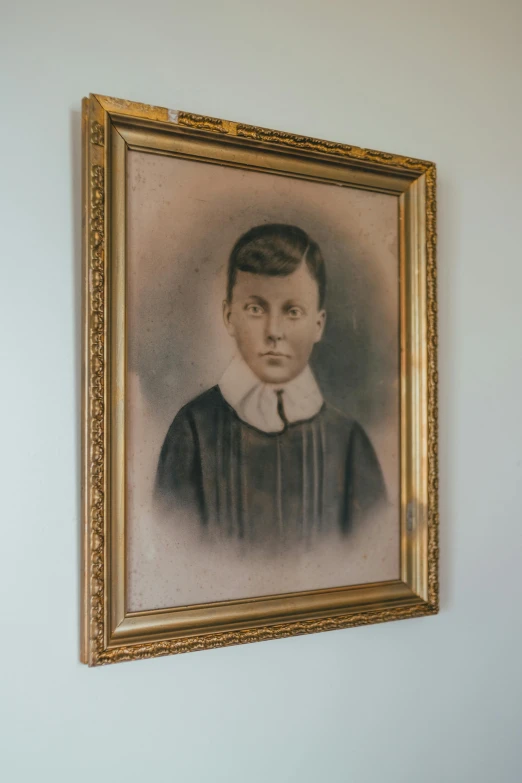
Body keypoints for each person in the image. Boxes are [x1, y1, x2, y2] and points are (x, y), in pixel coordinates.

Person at [156, 223, 386, 547]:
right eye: (255, 309)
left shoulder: (348, 440)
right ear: (228, 316)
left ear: (318, 325)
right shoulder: (192, 430)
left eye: (293, 311)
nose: (274, 331)